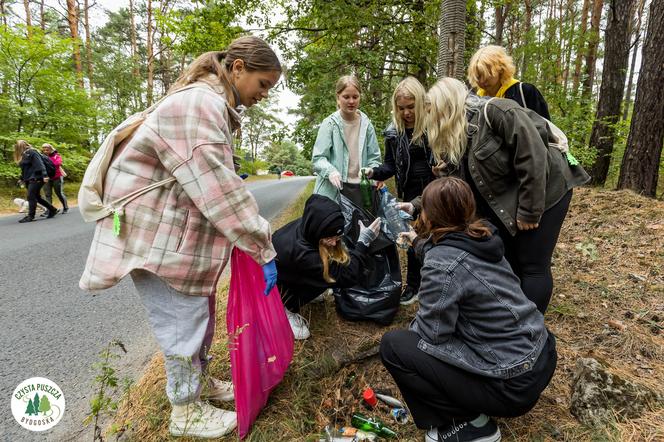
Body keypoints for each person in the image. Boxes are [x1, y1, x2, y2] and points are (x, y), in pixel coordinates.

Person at [79, 36, 283, 439]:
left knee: (197, 311)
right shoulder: (200, 105)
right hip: (154, 236)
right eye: (262, 84)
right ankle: (185, 409)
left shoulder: (209, 103)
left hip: (168, 232)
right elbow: (219, 189)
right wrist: (261, 244)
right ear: (238, 67)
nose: (263, 95)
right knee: (181, 320)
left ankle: (199, 385)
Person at [381, 177, 557, 442]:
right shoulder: (483, 235)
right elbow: (450, 255)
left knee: (395, 346)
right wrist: (418, 242)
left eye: (424, 208)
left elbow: (433, 334)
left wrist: (414, 331)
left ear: (431, 215)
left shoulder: (441, 263)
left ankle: (469, 425)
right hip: (541, 356)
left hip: (512, 385)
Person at [402, 77, 589, 314]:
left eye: (434, 113)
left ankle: (530, 331)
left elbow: (533, 157)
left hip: (547, 190)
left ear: (447, 107)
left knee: (531, 263)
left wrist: (530, 211)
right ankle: (511, 318)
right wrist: (415, 206)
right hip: (508, 197)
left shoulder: (497, 111)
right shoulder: (458, 136)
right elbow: (449, 183)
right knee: (507, 260)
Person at [365, 77, 436, 305]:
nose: (406, 113)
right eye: (401, 108)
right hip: (409, 191)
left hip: (434, 188)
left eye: (411, 107)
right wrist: (373, 173)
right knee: (414, 238)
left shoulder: (432, 127)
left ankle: (434, 284)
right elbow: (390, 166)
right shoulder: (393, 132)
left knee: (436, 237)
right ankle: (414, 286)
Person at [273, 194, 381, 339]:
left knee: (327, 275)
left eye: (337, 237)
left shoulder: (308, 224)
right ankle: (286, 309)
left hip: (288, 274)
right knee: (329, 278)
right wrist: (363, 242)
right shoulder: (303, 255)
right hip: (277, 288)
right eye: (329, 238)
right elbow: (348, 276)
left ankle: (302, 292)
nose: (333, 243)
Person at [312, 75, 382, 206]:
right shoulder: (329, 124)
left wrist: (374, 173)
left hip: (361, 190)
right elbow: (318, 158)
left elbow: (374, 158)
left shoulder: (367, 125)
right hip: (333, 190)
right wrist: (330, 171)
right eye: (346, 97)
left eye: (355, 97)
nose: (351, 101)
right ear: (338, 97)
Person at [468, 45, 550, 120]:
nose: (482, 81)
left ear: (501, 69)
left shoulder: (525, 92)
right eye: (478, 77)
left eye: (487, 75)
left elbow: (545, 128)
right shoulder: (475, 100)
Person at [14, 140, 58, 223]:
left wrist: (45, 175)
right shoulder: (24, 154)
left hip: (37, 178)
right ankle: (53, 210)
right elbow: (25, 169)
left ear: (21, 146)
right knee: (37, 197)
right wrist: (21, 178)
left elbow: (39, 164)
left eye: (17, 147)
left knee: (31, 196)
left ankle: (31, 216)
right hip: (29, 178)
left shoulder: (32, 152)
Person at [41, 143, 69, 214]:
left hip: (57, 177)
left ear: (51, 149)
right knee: (47, 194)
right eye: (44, 150)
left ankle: (65, 207)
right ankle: (49, 210)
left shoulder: (56, 156)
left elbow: (57, 164)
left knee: (59, 193)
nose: (45, 151)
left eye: (47, 150)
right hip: (46, 178)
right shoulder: (41, 157)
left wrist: (47, 160)